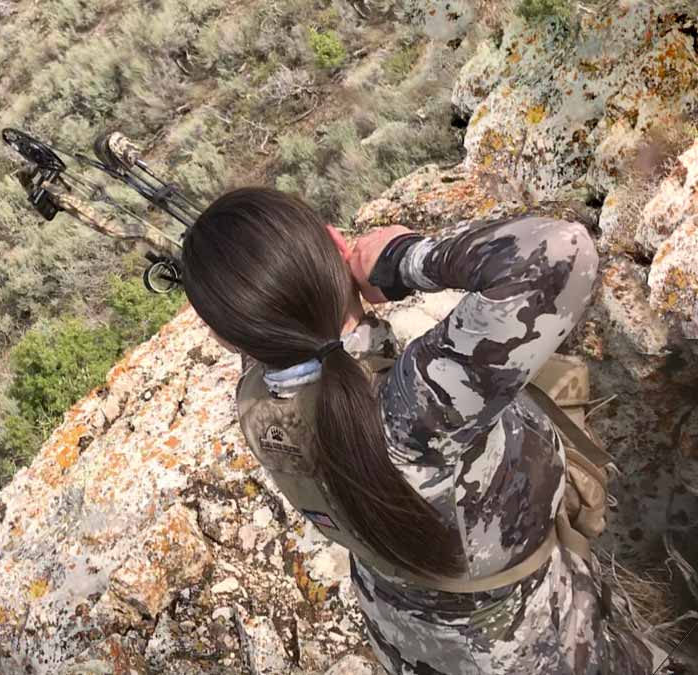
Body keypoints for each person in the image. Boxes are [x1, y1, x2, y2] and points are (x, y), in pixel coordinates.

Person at [181, 187, 665, 674]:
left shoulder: (257, 403)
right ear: (334, 241)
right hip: (530, 643)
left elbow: (268, 330)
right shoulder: (415, 410)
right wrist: (401, 258)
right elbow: (561, 252)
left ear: (227, 338)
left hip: (409, 639)